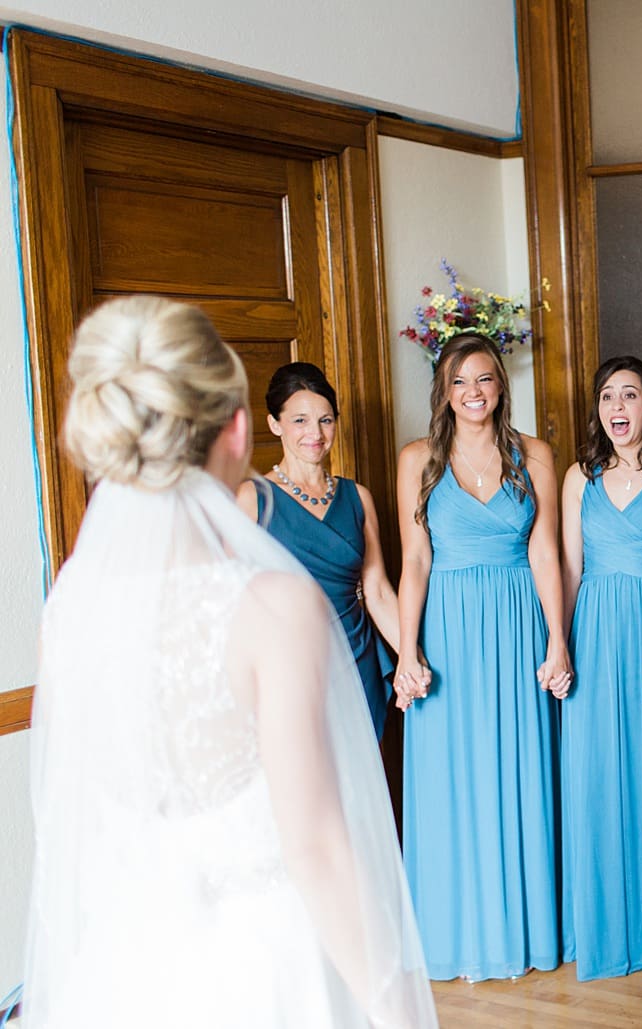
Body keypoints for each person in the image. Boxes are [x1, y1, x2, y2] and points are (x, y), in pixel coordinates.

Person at [24, 296, 436, 1028]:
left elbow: (76, 830)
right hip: (267, 966)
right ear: (243, 429)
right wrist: (397, 1008)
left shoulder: (69, 609)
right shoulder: (273, 606)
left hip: (123, 968)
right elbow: (317, 848)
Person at [394, 332, 570, 981]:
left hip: (517, 622)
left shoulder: (535, 455)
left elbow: (545, 551)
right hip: (447, 627)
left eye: (485, 379)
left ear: (501, 385)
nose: (473, 392)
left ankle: (520, 929)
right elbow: (414, 559)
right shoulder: (418, 458)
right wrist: (408, 649)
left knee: (517, 768)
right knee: (451, 774)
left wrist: (557, 637)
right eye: (460, 380)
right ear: (443, 390)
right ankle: (453, 930)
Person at [559, 355, 642, 980]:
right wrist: (561, 643)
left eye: (629, 396)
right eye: (607, 397)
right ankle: (608, 925)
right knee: (600, 773)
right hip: (598, 629)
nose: (617, 409)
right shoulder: (579, 478)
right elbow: (571, 571)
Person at [236, 362, 404, 738]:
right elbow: (234, 600)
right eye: (300, 421)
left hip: (355, 658)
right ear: (275, 424)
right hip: (288, 664)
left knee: (358, 787)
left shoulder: (357, 497)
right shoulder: (252, 499)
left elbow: (377, 591)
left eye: (325, 420)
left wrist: (412, 657)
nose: (315, 433)